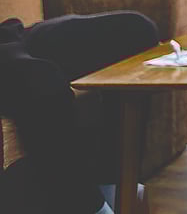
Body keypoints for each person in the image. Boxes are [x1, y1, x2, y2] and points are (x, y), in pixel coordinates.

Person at [0, 11, 160, 214]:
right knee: (41, 78)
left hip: (10, 34)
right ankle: (91, 207)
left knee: (137, 30)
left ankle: (113, 187)